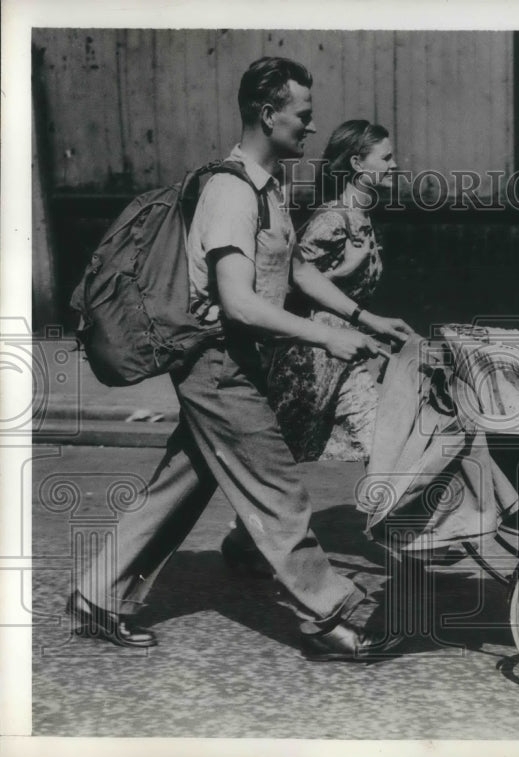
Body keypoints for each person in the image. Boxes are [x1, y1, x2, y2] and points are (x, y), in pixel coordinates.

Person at [67, 57, 399, 661]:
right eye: (302, 113)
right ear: (268, 114)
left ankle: (96, 597)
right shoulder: (231, 190)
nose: (311, 124)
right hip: (219, 363)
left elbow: (291, 272)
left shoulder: (267, 187)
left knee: (181, 484)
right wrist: (322, 337)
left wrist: (362, 318)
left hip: (238, 361)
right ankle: (328, 616)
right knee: (278, 489)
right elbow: (239, 303)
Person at [220, 120, 414, 574]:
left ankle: (407, 536)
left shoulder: (360, 216)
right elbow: (289, 284)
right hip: (305, 364)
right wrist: (346, 274)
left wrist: (371, 326)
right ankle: (247, 536)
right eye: (385, 158)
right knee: (277, 456)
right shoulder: (332, 220)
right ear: (357, 163)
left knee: (382, 438)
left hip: (343, 361)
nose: (394, 165)